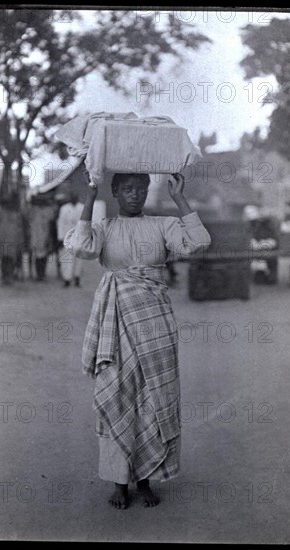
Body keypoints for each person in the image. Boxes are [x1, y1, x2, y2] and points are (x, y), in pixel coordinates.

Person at [65, 171, 211, 509]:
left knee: (153, 397)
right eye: (127, 189)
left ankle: (145, 478)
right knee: (118, 395)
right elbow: (80, 247)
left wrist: (179, 199)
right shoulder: (106, 228)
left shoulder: (163, 225)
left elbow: (199, 242)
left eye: (141, 189)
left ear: (148, 190)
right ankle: (119, 482)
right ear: (115, 192)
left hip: (155, 324)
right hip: (115, 323)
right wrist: (90, 194)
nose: (135, 195)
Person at [0, 192, 25, 285]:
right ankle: (4, 277)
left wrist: (20, 239)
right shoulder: (0, 213)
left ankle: (10, 277)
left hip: (13, 240)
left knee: (11, 259)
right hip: (2, 239)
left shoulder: (17, 214)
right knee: (4, 259)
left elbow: (19, 228)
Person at [57, 191, 85, 287]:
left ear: (78, 198)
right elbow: (60, 223)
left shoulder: (82, 207)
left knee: (79, 258)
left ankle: (77, 278)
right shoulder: (64, 208)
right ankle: (67, 279)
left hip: (79, 237)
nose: (74, 199)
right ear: (70, 198)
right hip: (67, 237)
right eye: (72, 197)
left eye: (75, 197)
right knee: (67, 259)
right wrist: (60, 237)